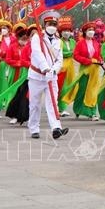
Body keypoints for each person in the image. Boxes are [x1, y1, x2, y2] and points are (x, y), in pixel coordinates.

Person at [27, 11, 69, 139]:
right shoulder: (37, 38)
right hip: (37, 76)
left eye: (54, 24)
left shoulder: (58, 41)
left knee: (52, 102)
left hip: (51, 76)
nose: (52, 26)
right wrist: (45, 68)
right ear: (45, 24)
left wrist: (54, 70)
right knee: (35, 104)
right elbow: (37, 53)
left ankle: (56, 128)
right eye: (50, 24)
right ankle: (34, 128)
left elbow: (59, 59)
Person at [63, 21, 104, 120]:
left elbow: (99, 55)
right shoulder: (80, 43)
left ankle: (92, 113)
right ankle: (77, 109)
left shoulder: (96, 43)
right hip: (85, 70)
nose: (91, 32)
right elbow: (76, 56)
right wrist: (87, 61)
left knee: (93, 91)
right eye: (89, 30)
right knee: (82, 90)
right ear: (85, 32)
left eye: (93, 30)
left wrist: (100, 60)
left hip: (95, 70)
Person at [57, 15, 77, 117]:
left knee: (70, 86)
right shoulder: (58, 42)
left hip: (71, 67)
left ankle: (63, 106)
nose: (66, 33)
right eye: (64, 31)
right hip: (62, 66)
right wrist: (70, 53)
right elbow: (59, 54)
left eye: (68, 31)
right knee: (62, 87)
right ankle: (61, 108)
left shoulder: (73, 42)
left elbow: (76, 52)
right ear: (61, 32)